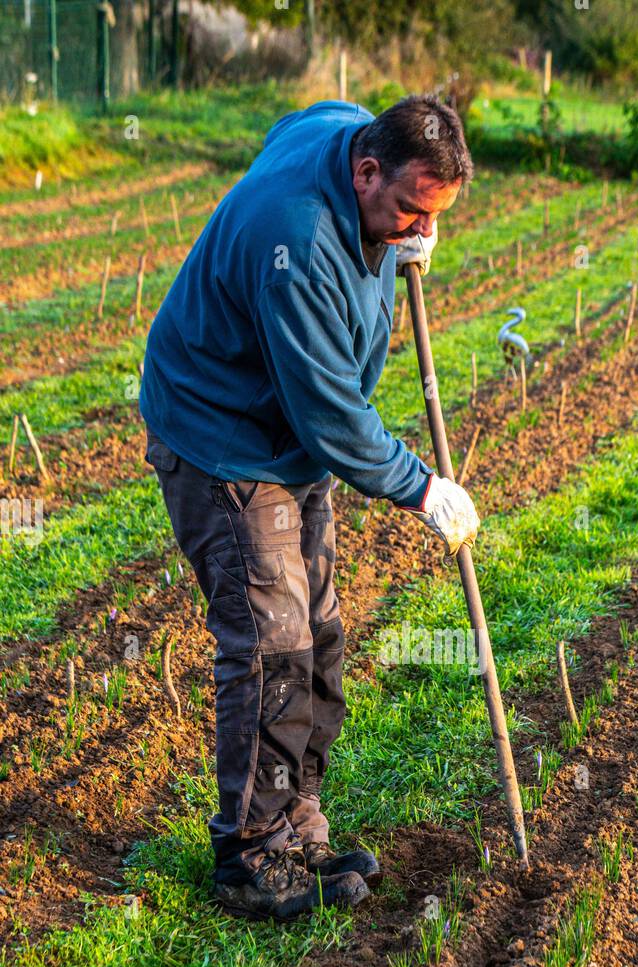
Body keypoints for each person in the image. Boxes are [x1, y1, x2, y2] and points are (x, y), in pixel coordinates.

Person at [139, 95, 480, 922]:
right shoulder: (298, 237)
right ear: (365, 171)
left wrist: (404, 238)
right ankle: (249, 856)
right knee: (272, 647)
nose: (414, 233)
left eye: (431, 218)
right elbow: (329, 410)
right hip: (227, 442)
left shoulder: (346, 134)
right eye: (408, 211)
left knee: (320, 636)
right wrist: (421, 487)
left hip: (286, 441)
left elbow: (307, 115)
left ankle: (297, 823)